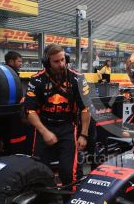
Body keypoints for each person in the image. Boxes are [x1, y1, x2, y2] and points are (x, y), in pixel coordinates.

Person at [24, 43, 91, 188]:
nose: (61, 64)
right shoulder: (37, 80)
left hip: (68, 128)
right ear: (47, 62)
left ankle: (72, 199)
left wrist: (84, 135)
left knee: (68, 171)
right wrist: (45, 132)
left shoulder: (77, 79)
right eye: (56, 61)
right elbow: (30, 111)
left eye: (63, 60)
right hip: (44, 127)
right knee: (39, 170)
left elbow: (86, 108)